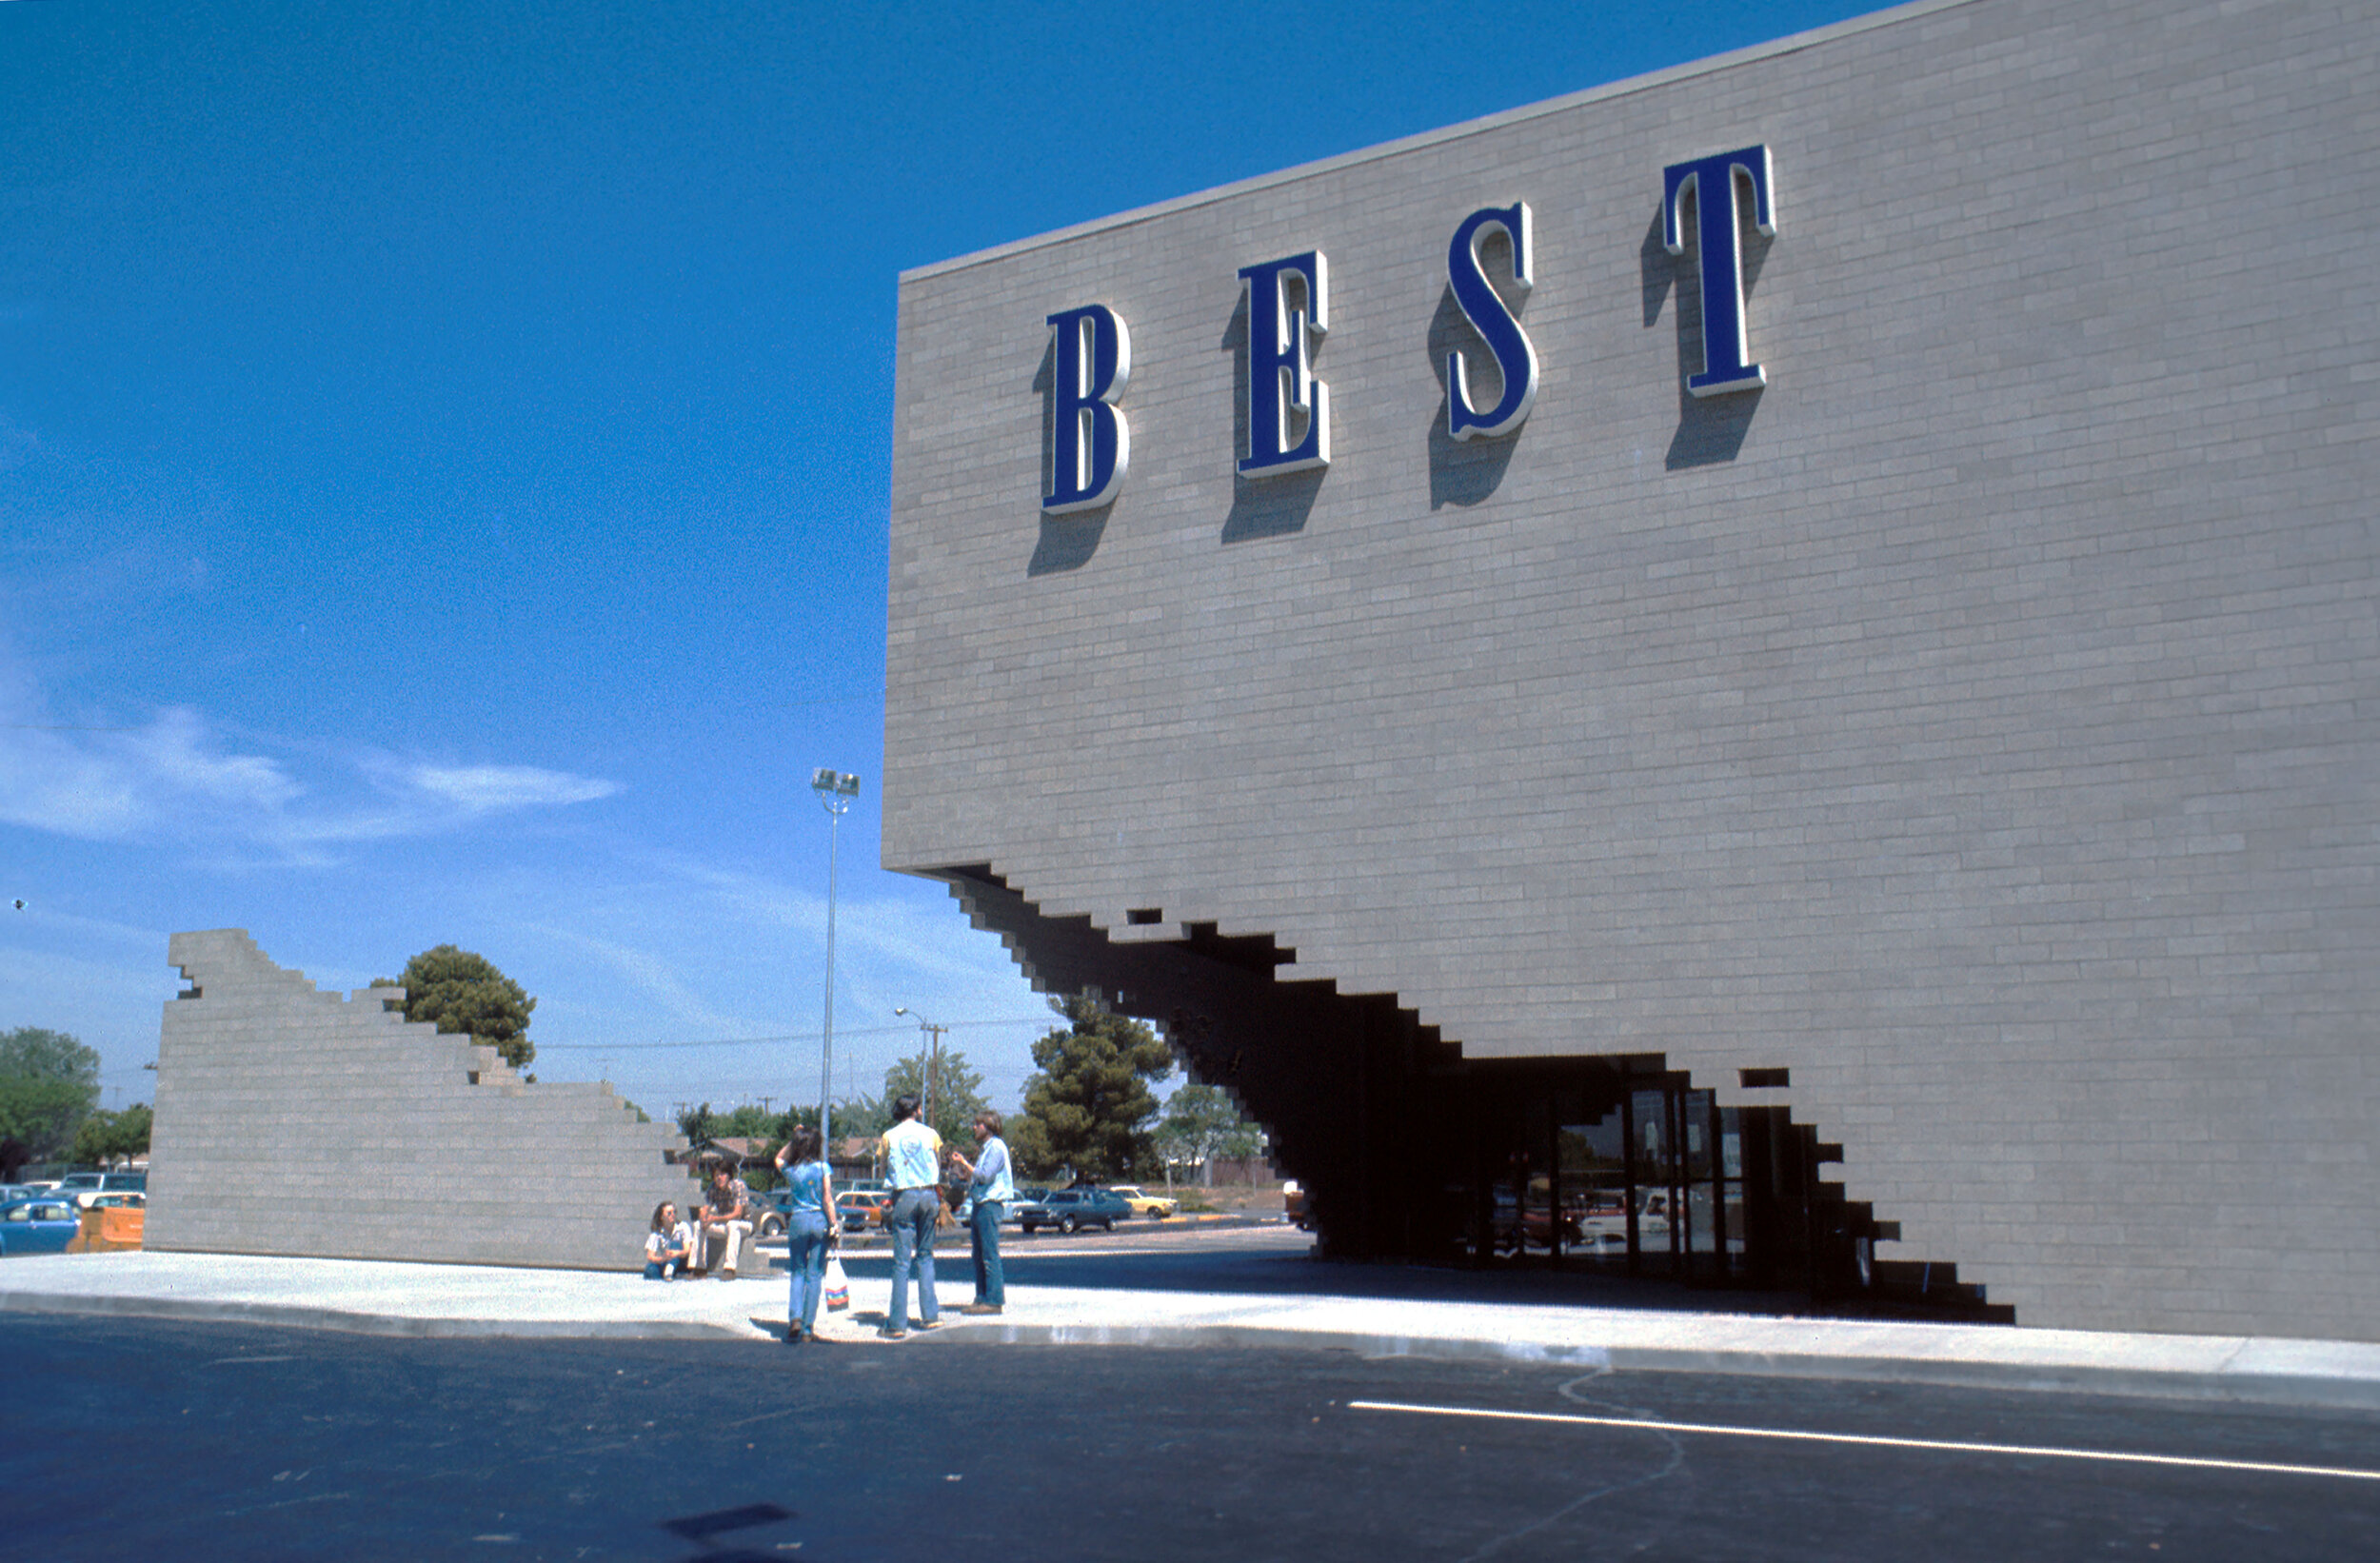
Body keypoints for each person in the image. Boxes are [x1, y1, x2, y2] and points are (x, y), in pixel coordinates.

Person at [878, 1094, 942, 1338]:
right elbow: (937, 1163)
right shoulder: (931, 1134)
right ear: (915, 1110)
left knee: (902, 1262)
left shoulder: (889, 1136)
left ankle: (897, 1323)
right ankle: (930, 1316)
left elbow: (884, 1166)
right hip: (928, 1194)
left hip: (904, 1195)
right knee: (925, 1256)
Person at [773, 1125, 838, 1344]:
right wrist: (834, 1225)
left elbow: (778, 1158)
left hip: (798, 1221)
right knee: (815, 1274)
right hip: (819, 1221)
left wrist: (793, 1140)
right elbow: (828, 1199)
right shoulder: (823, 1168)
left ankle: (795, 1318)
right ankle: (808, 1327)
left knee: (798, 1271)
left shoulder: (791, 1171)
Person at [943, 1110, 1012, 1315]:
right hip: (980, 1203)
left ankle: (994, 1300)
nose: (974, 1127)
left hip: (990, 1205)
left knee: (989, 1253)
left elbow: (985, 1176)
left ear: (988, 1126)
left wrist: (965, 1163)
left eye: (977, 1124)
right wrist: (963, 1170)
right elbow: (976, 1176)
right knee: (979, 1254)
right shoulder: (986, 1149)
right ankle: (981, 1297)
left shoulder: (997, 1148)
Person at [697, 1159, 754, 1279]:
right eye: (716, 1175)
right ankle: (698, 1268)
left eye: (722, 1174)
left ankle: (730, 1269)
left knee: (733, 1224)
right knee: (698, 1225)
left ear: (729, 1175)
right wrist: (703, 1218)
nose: (719, 1178)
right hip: (724, 1225)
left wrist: (713, 1218)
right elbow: (705, 1208)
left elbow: (737, 1214)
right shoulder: (713, 1187)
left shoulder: (738, 1185)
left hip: (744, 1224)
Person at [643, 1200, 689, 1280]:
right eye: (669, 1213)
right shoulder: (657, 1233)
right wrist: (663, 1258)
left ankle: (669, 1271)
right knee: (650, 1268)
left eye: (674, 1212)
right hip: (665, 1261)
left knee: (675, 1244)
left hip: (681, 1262)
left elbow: (687, 1250)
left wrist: (676, 1253)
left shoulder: (683, 1227)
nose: (673, 1215)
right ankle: (663, 1280)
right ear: (661, 1217)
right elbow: (650, 1256)